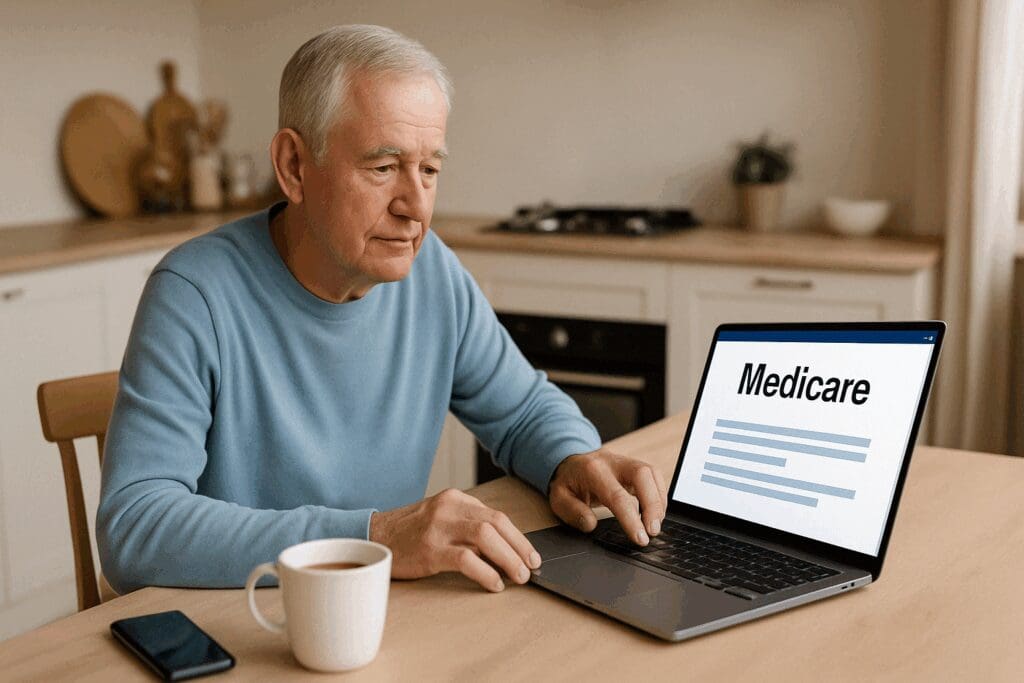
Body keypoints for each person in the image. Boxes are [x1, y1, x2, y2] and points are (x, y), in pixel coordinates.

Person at [97, 24, 667, 595]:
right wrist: (373, 538)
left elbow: (521, 411)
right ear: (294, 165)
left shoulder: (432, 272)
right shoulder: (193, 293)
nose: (416, 207)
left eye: (430, 170)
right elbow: (136, 527)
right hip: (247, 626)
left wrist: (572, 457)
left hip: (382, 618)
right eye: (383, 167)